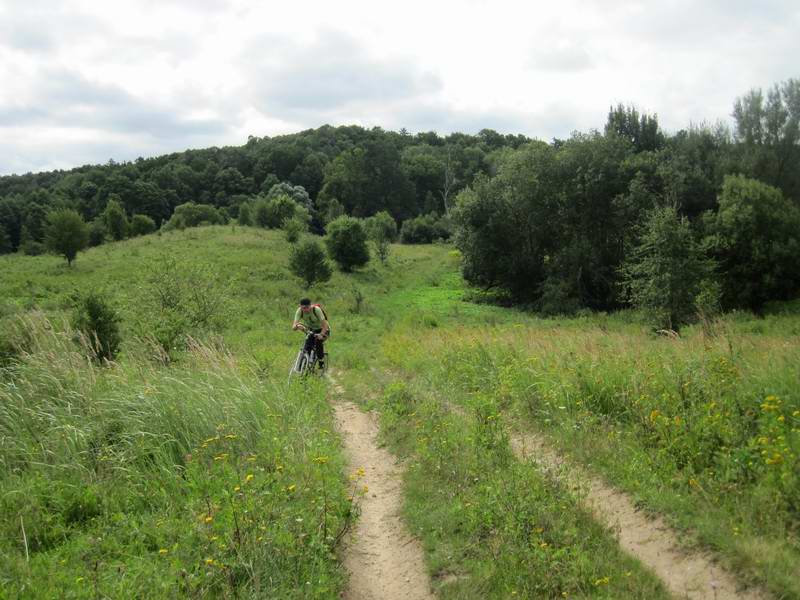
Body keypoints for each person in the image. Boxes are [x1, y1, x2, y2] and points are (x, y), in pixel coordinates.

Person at [292, 298, 329, 369]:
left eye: (307, 307)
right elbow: (293, 326)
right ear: (300, 307)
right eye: (303, 308)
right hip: (311, 330)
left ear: (311, 305)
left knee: (318, 342)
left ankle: (321, 362)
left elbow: (325, 325)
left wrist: (321, 334)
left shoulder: (316, 310)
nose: (305, 310)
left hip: (323, 329)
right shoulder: (299, 311)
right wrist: (297, 326)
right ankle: (304, 368)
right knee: (307, 348)